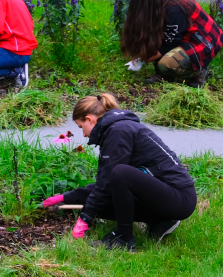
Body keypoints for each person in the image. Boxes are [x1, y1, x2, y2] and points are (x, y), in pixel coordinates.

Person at [39, 94, 196, 251]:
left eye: (81, 127)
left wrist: (84, 219)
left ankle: (123, 238)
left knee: (120, 173)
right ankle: (160, 220)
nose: (84, 134)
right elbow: (104, 185)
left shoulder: (119, 130)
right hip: (165, 196)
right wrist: (66, 197)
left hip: (180, 198)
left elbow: (112, 178)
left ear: (89, 119)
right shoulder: (115, 129)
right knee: (102, 198)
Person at [121, 0, 223, 86]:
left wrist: (143, 59)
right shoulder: (160, 0)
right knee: (158, 44)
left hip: (203, 40)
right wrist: (138, 54)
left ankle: (198, 72)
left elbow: (170, 44)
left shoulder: (174, 10)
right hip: (185, 35)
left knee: (166, 64)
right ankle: (165, 75)